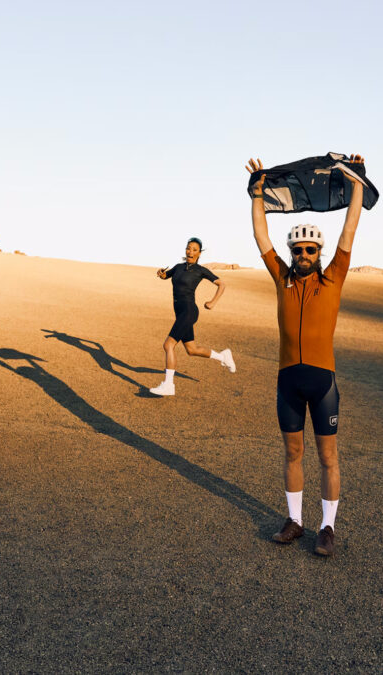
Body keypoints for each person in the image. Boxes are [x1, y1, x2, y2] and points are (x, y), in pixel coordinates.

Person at [246, 155, 365, 557]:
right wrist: (257, 195)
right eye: (298, 249)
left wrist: (357, 183)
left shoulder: (333, 277)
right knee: (292, 452)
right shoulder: (281, 277)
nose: (303, 254)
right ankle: (295, 521)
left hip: (322, 381)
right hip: (288, 382)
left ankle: (327, 527)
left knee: (327, 456)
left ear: (319, 251)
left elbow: (350, 228)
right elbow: (262, 236)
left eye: (310, 249)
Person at [149, 237, 236, 396]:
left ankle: (169, 385)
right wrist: (160, 273)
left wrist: (213, 302)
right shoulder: (178, 267)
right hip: (180, 312)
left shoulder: (200, 270)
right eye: (188, 248)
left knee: (168, 345)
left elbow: (221, 284)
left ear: (199, 253)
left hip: (189, 311)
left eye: (194, 249)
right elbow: (164, 276)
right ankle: (223, 356)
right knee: (192, 349)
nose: (190, 251)